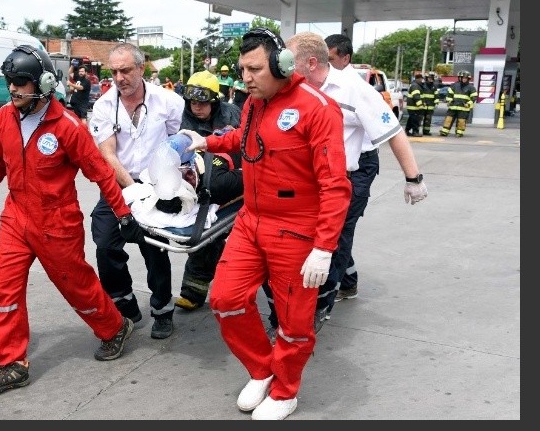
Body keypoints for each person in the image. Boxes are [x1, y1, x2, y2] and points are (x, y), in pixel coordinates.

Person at [179, 27, 350, 420]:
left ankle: (286, 390)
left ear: (281, 65)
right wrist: (207, 142)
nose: (246, 78)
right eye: (243, 69)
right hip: (251, 221)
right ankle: (262, 369)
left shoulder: (318, 109)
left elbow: (335, 185)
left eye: (254, 69)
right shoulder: (255, 103)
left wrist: (324, 247)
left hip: (297, 229)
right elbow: (246, 139)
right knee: (225, 299)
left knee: (293, 321)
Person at [0, 44, 139, 393]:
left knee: (77, 286)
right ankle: (11, 363)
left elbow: (101, 173)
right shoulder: (3, 118)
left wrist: (123, 213)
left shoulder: (67, 126)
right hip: (16, 218)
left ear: (42, 84)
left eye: (20, 83)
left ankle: (115, 327)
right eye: (10, 82)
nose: (13, 90)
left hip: (57, 223)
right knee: (5, 289)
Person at [280, 31, 428, 335]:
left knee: (334, 237)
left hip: (352, 173)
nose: (283, 65)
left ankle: (320, 305)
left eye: (289, 59)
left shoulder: (354, 90)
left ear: (310, 62)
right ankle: (347, 281)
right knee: (316, 235)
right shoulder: (294, 88)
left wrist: (413, 178)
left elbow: (393, 132)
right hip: (310, 180)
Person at [89, 42, 185, 339]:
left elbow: (182, 142)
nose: (119, 78)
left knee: (154, 249)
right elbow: (107, 154)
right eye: (114, 72)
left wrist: (173, 182)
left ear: (141, 68)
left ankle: (162, 310)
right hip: (120, 185)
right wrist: (134, 192)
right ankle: (124, 301)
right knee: (105, 243)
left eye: (126, 70)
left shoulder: (168, 101)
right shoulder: (104, 106)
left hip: (157, 183)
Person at [171, 70, 242, 311]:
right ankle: (193, 291)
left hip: (230, 170)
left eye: (202, 103)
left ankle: (194, 291)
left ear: (214, 101)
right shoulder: (184, 118)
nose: (197, 107)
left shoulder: (232, 114)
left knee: (211, 232)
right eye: (193, 102)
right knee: (206, 235)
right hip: (199, 174)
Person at [440, 70, 478, 137]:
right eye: (463, 78)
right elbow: (449, 95)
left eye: (465, 78)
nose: (464, 79)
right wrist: (449, 101)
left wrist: (468, 104)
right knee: (448, 119)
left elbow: (474, 97)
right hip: (453, 107)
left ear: (468, 79)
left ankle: (459, 132)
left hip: (464, 108)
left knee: (461, 121)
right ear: (460, 78)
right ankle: (444, 131)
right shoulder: (454, 85)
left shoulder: (471, 88)